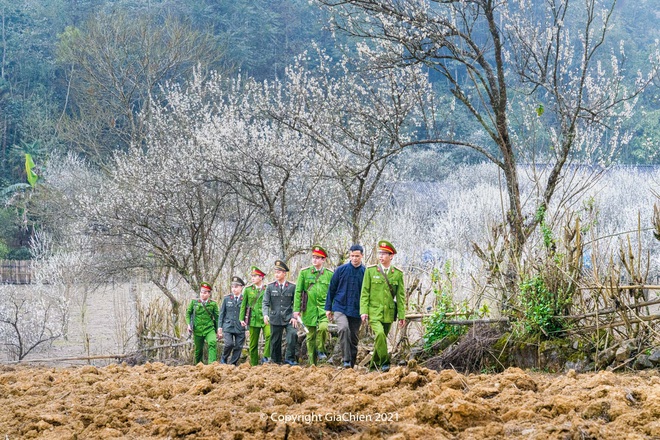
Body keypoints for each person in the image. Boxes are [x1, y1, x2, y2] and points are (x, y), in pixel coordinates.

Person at [360, 240, 406, 372]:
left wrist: (402, 315)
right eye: (380, 253)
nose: (381, 256)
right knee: (379, 334)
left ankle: (373, 366)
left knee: (381, 340)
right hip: (374, 311)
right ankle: (385, 362)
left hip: (389, 313)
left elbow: (401, 297)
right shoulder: (370, 271)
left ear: (391, 256)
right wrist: (364, 311)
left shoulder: (397, 274)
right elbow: (365, 293)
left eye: (384, 254)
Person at [325, 244, 365, 369]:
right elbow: (332, 289)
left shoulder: (365, 272)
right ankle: (346, 360)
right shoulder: (340, 270)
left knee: (354, 338)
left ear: (362, 256)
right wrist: (328, 308)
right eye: (352, 256)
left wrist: (366, 310)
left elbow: (368, 293)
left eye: (357, 256)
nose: (354, 258)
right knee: (343, 329)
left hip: (356, 309)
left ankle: (351, 365)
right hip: (340, 306)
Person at [294, 245, 333, 365]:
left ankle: (320, 348)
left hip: (323, 309)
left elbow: (332, 292)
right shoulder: (304, 273)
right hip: (308, 309)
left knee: (323, 328)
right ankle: (312, 363)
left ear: (323, 260)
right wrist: (296, 309)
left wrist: (331, 308)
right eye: (313, 257)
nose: (315, 260)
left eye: (318, 258)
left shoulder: (329, 274)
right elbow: (298, 291)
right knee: (310, 336)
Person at [262, 260, 298, 365]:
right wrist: (265, 314)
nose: (276, 274)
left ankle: (289, 358)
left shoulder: (292, 287)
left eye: (279, 272)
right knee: (275, 341)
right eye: (275, 272)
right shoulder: (270, 287)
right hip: (275, 317)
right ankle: (275, 360)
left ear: (284, 273)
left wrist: (294, 316)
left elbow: (295, 303)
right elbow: (265, 302)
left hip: (288, 317)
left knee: (292, 335)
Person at [240, 266, 271, 365]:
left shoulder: (267, 288)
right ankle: (254, 365)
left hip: (265, 318)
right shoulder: (248, 290)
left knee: (269, 335)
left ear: (261, 277)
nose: (253, 278)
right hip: (253, 319)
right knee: (253, 344)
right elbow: (243, 305)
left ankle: (266, 357)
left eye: (255, 276)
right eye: (252, 276)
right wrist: (241, 319)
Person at [186, 282, 220, 364]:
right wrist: (188, 325)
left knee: (212, 342)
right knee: (198, 350)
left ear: (209, 294)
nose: (202, 294)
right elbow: (188, 313)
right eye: (201, 292)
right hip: (197, 329)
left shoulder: (213, 304)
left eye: (205, 293)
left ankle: (211, 365)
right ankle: (199, 366)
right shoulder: (194, 302)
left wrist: (219, 329)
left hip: (209, 328)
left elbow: (217, 317)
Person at [218, 276, 247, 365]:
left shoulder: (245, 299)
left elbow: (247, 315)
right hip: (228, 326)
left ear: (241, 287)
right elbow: (222, 313)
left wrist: (247, 328)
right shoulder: (227, 299)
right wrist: (220, 327)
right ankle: (224, 358)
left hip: (240, 327)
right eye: (233, 287)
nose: (234, 289)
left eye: (236, 287)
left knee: (238, 346)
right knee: (229, 344)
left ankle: (233, 363)